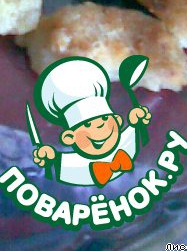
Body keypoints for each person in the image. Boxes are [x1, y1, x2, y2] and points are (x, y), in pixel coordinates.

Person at [33, 57, 151, 187]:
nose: (99, 128)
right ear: (69, 137)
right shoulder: (73, 166)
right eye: (88, 124)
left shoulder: (126, 146)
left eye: (104, 119)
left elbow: (131, 135)